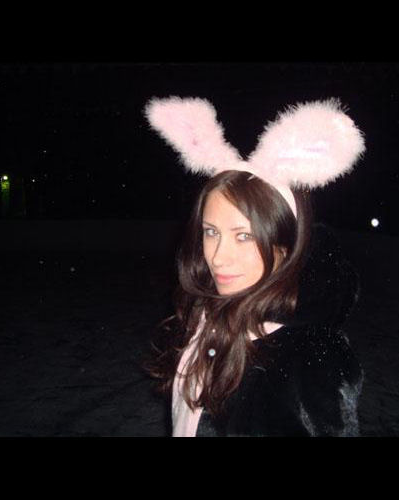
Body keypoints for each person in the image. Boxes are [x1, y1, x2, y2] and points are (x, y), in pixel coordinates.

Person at [143, 96, 366, 437]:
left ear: (285, 243)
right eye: (211, 232)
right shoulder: (209, 312)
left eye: (244, 236)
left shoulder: (309, 362)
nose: (218, 257)